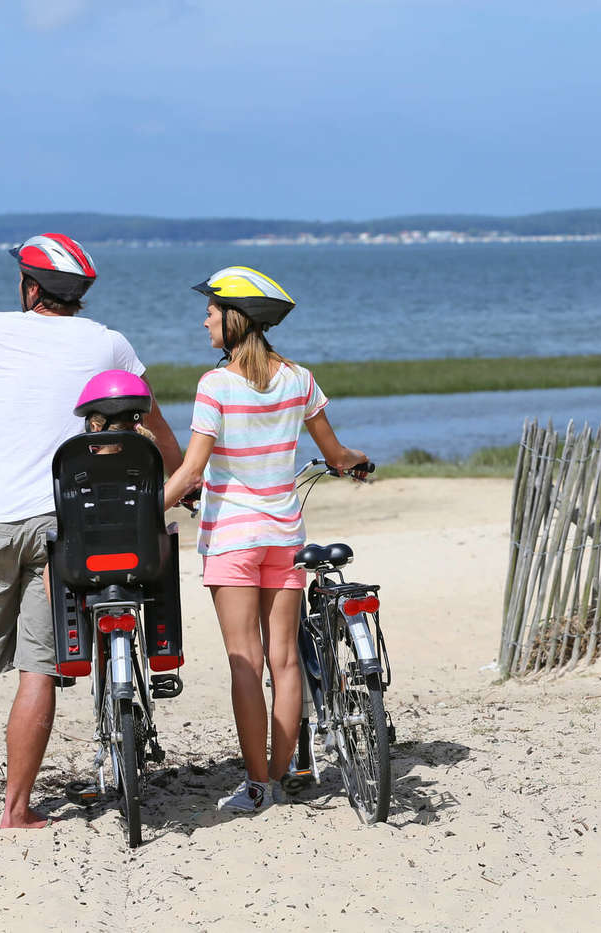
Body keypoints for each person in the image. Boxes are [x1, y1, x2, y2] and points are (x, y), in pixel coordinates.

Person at [0, 234, 184, 829]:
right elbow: (151, 423)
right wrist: (181, 476)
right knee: (39, 669)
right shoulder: (109, 343)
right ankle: (17, 809)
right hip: (64, 527)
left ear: (31, 288)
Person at [161, 265, 368, 814]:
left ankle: (256, 786)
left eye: (210, 311)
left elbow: (191, 472)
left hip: (232, 538)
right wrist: (356, 461)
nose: (204, 321)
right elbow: (335, 454)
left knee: (245, 663)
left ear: (235, 318)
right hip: (284, 537)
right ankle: (280, 774)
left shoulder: (215, 385)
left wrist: (144, 509)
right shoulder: (300, 379)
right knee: (285, 660)